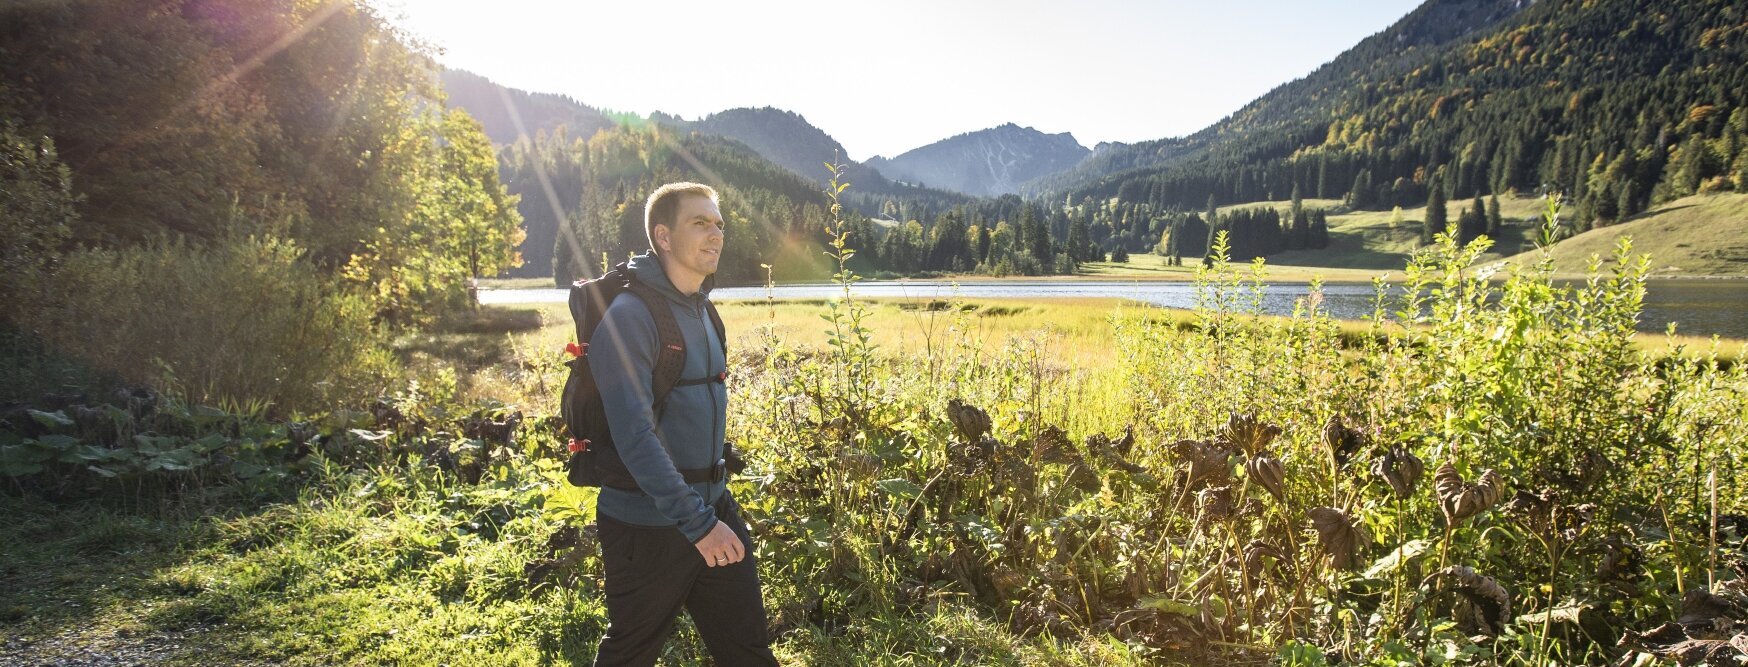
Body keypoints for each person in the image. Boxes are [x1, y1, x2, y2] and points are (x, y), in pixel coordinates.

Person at [588, 182, 777, 666]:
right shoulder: (630, 317)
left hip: (711, 507)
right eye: (700, 223)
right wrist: (699, 526)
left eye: (719, 224)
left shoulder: (704, 310)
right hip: (645, 525)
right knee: (631, 652)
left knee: (747, 649)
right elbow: (635, 436)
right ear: (664, 237)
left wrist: (714, 499)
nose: (716, 234)